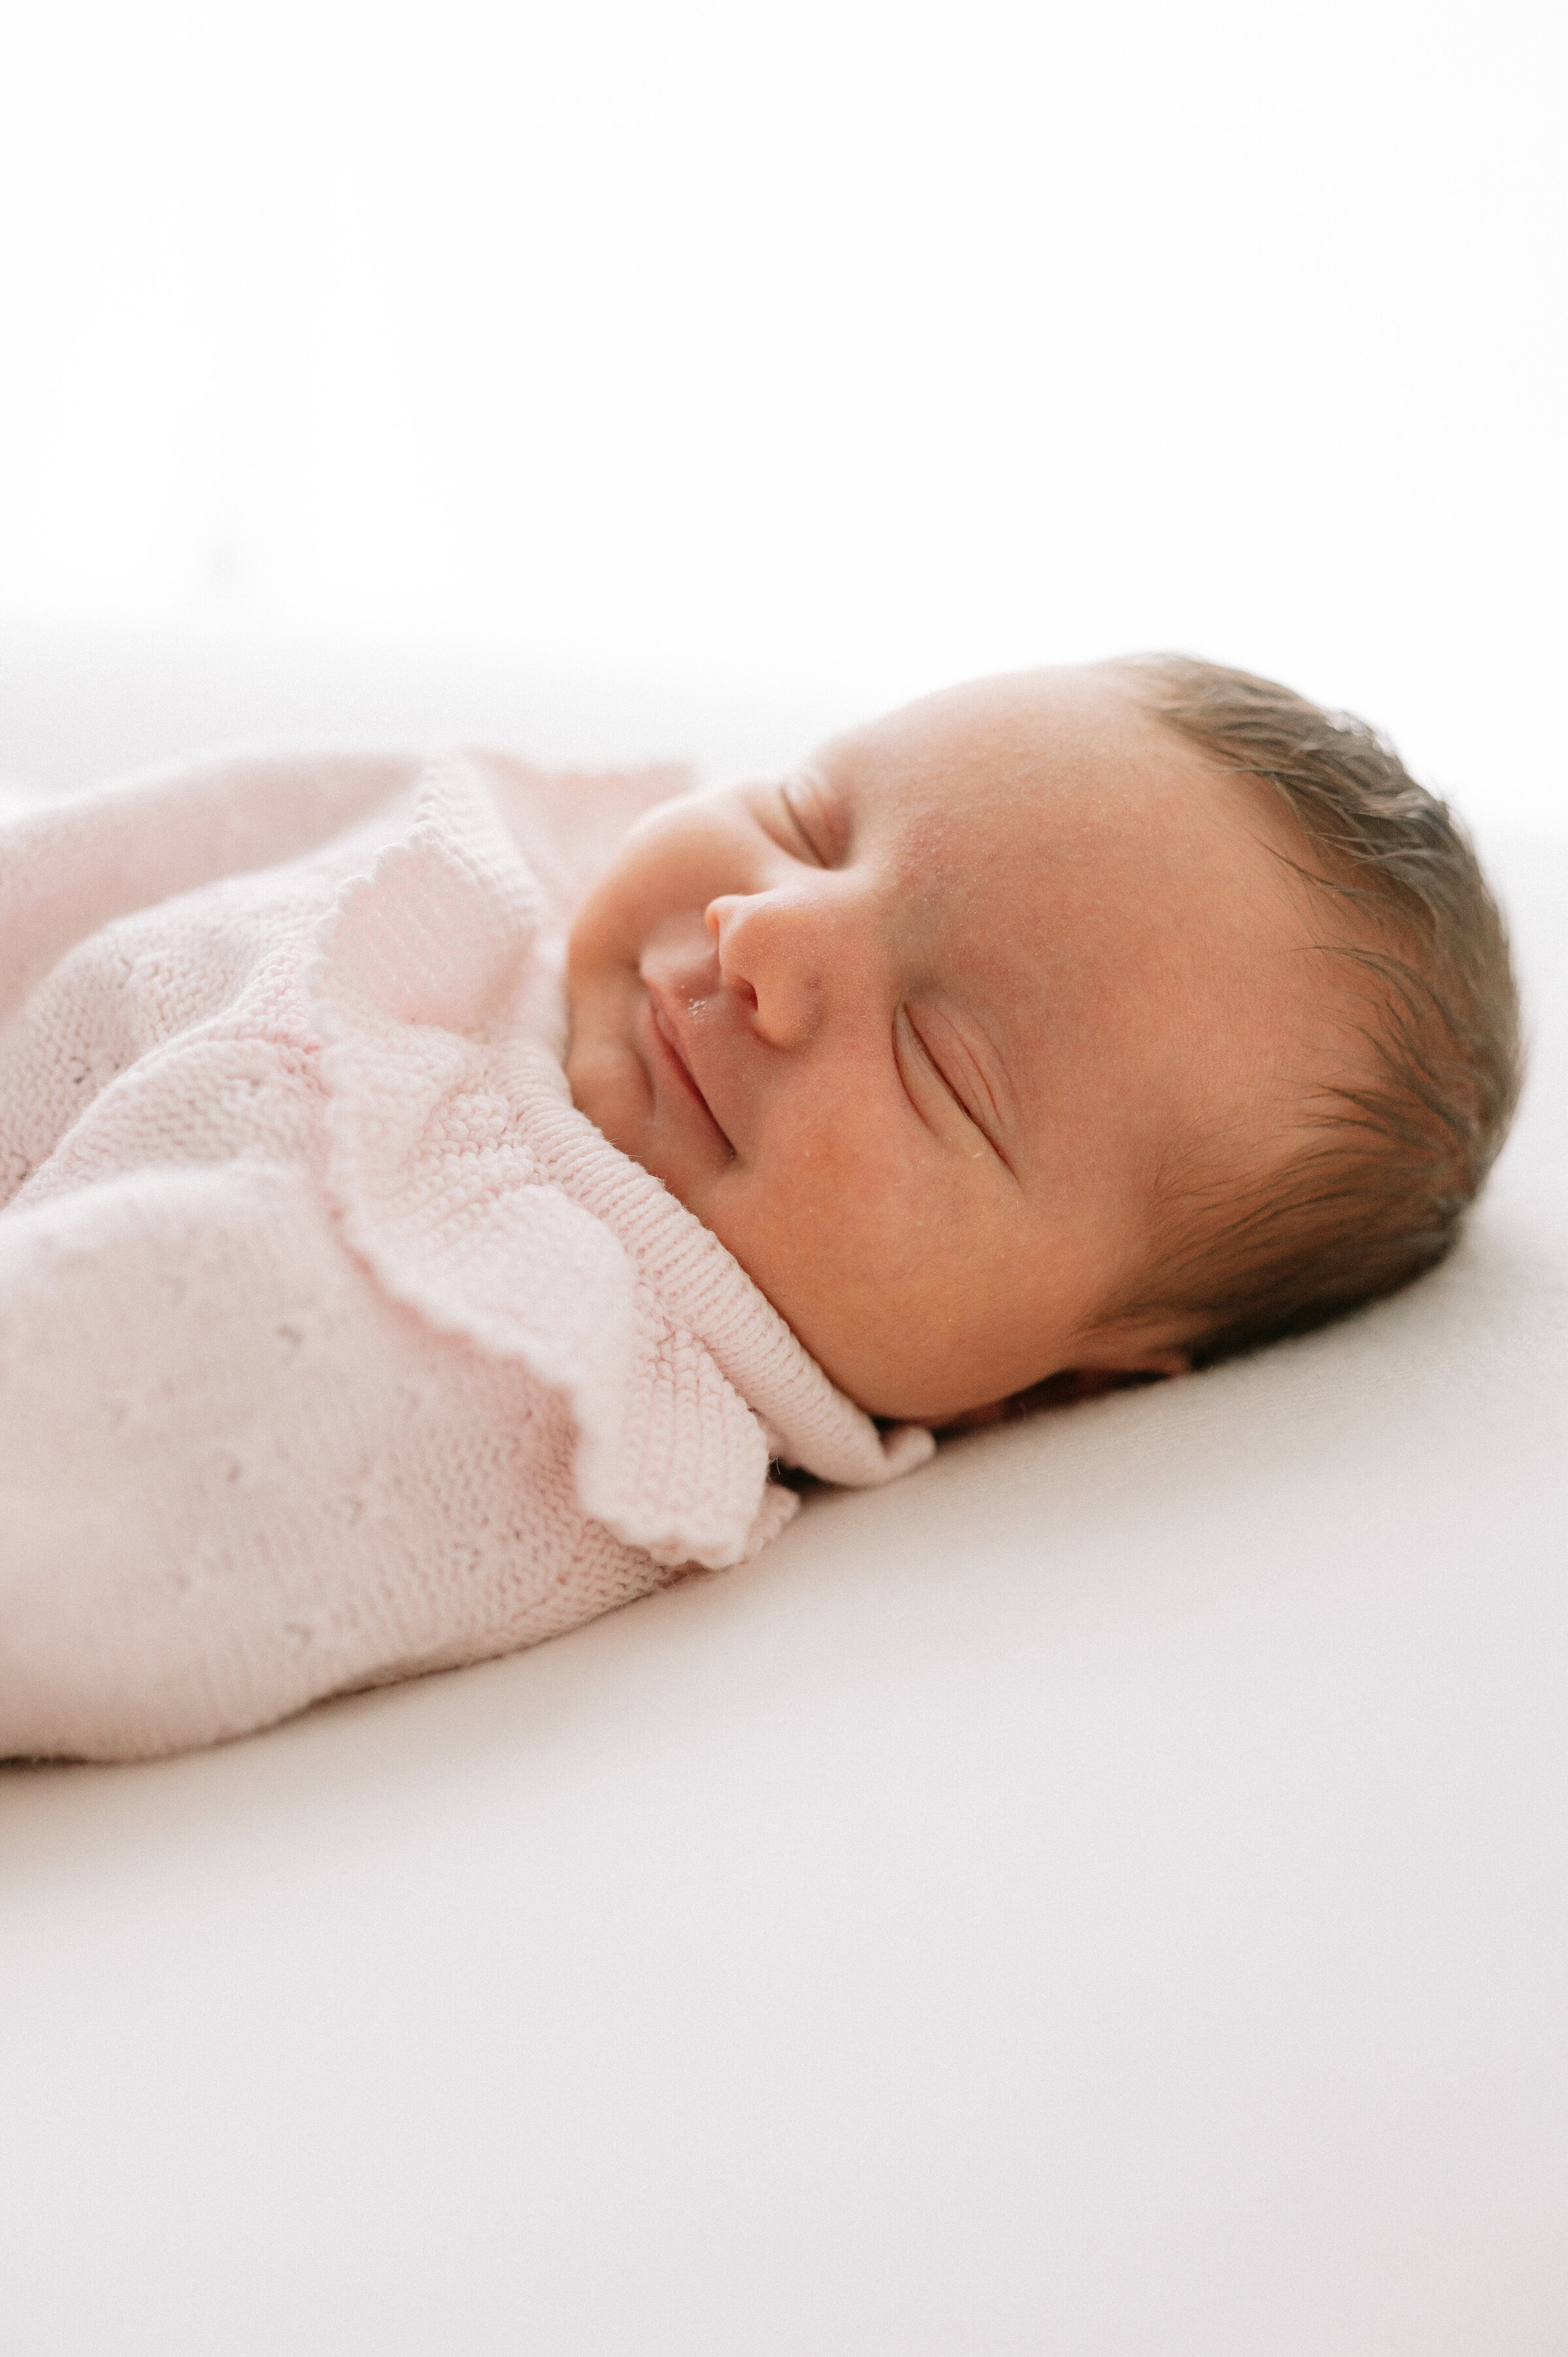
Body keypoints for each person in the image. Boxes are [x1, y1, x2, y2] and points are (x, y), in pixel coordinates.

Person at [0, 658, 1519, 1759]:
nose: (766, 934)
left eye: (941, 1058)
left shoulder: (519, 1353)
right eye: (813, 816)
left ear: (1062, 1377)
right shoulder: (506, 874)